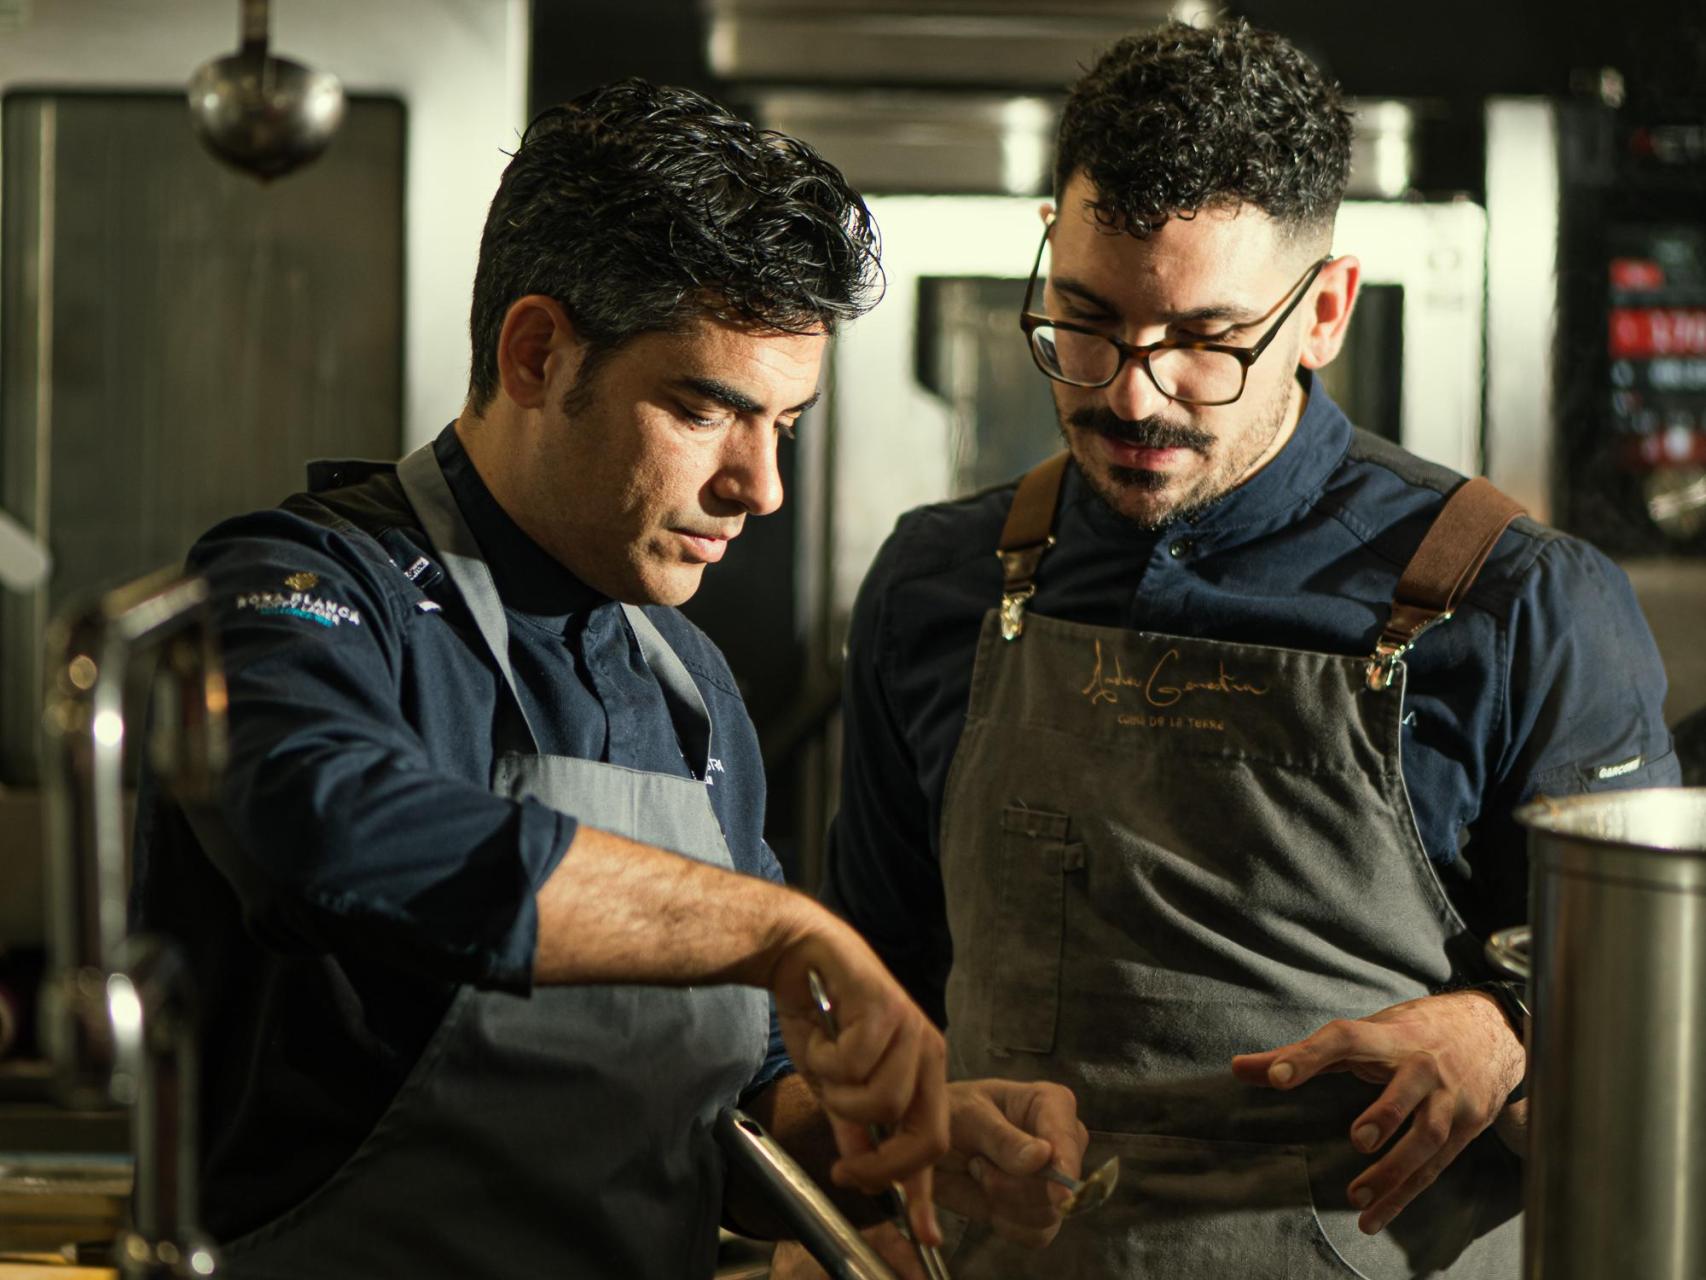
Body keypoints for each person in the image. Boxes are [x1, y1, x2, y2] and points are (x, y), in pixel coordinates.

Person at [131, 80, 1085, 1279]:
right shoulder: (304, 584)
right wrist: (775, 928)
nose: (760, 486)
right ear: (537, 352)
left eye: (782, 424)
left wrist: (882, 1141)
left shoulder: (688, 684)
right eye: (706, 409)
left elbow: (726, 1089)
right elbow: (323, 821)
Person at [822, 20, 1681, 1279]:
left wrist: (1506, 1028)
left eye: (1204, 339)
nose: (1131, 391)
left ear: (1322, 310)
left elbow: (1654, 1014)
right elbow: (873, 991)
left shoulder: (1519, 605)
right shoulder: (935, 581)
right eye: (1086, 319)